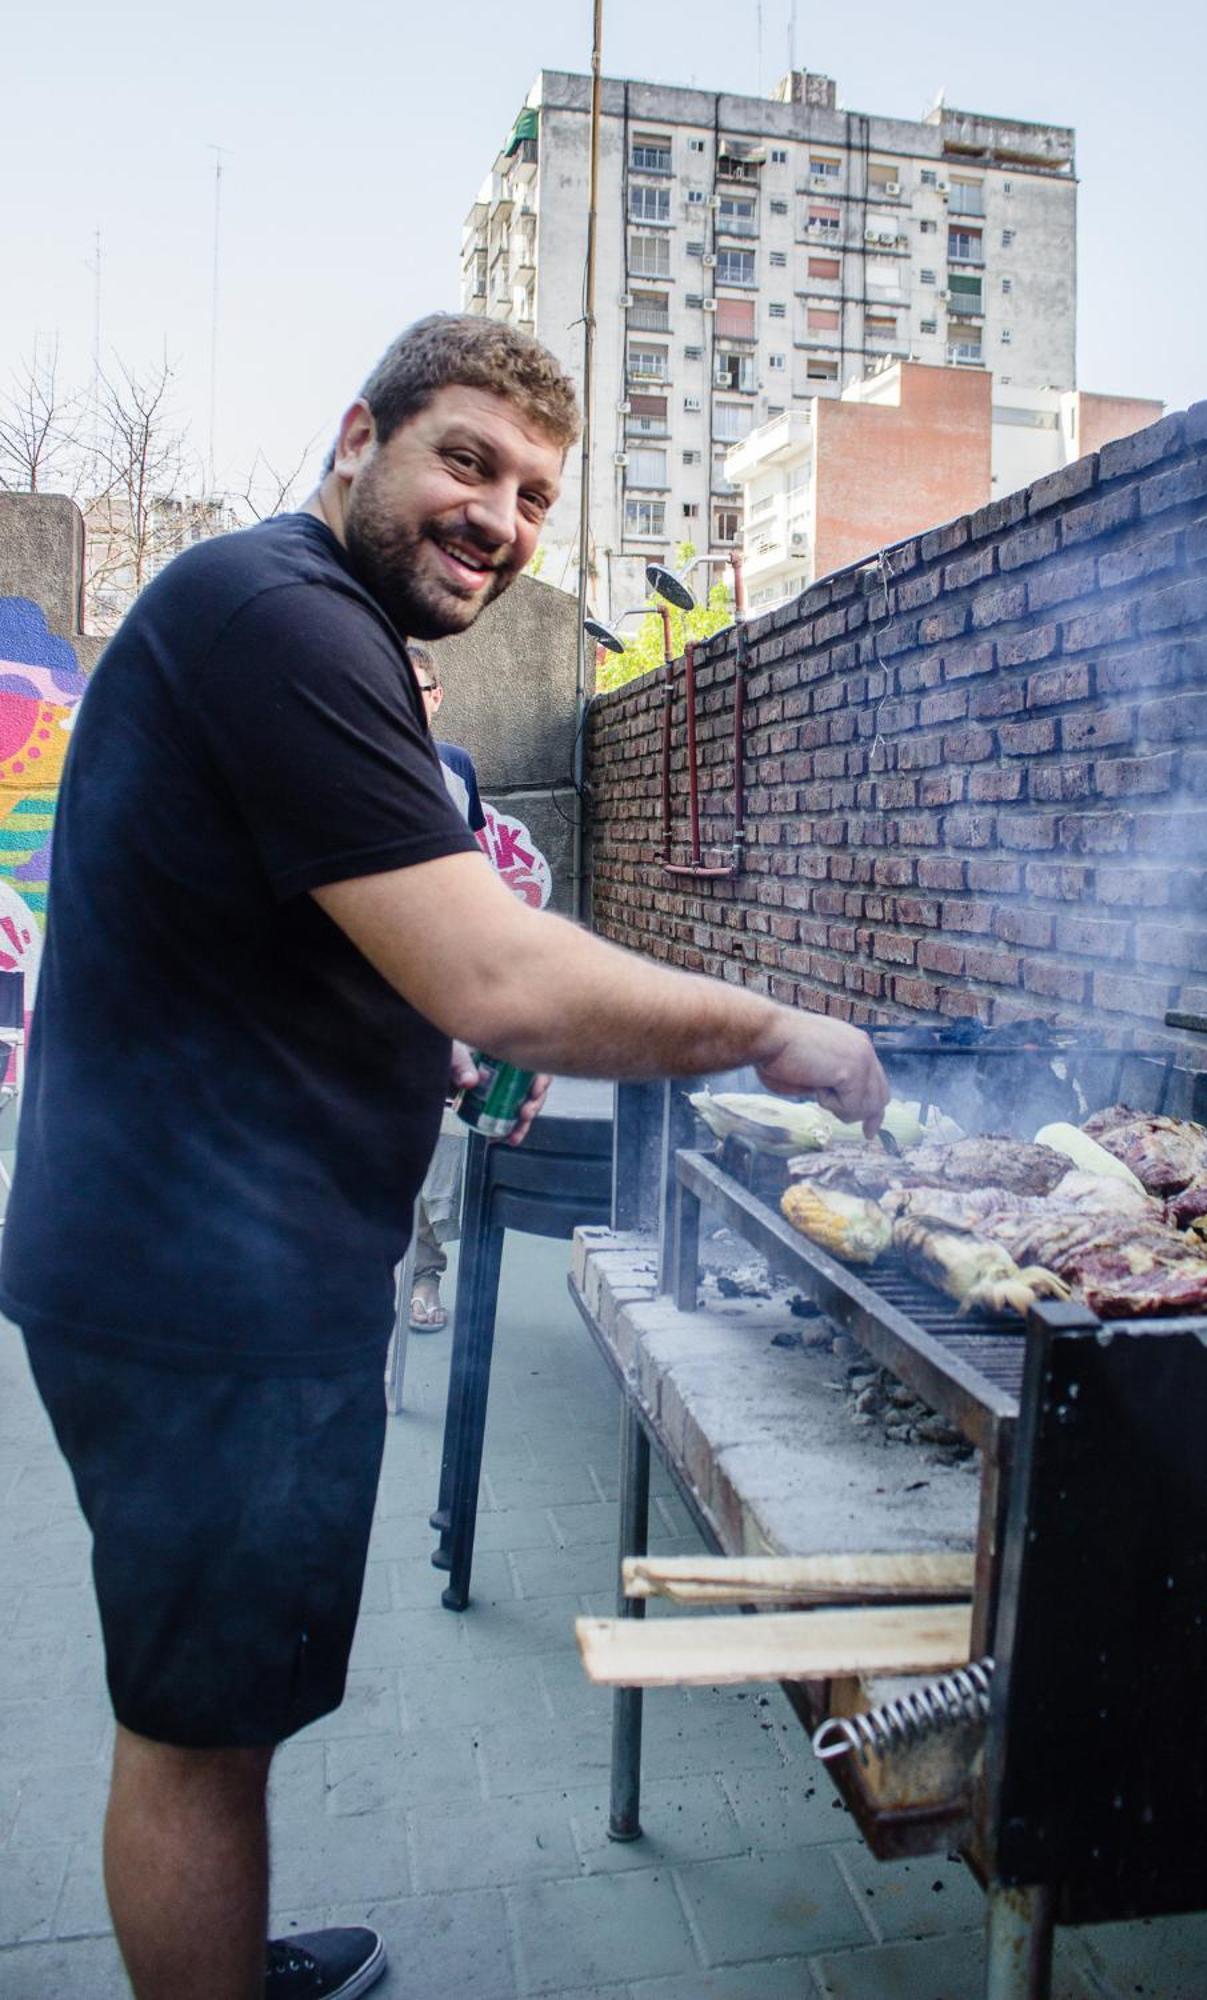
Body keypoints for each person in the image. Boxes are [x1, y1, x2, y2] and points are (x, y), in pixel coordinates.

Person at [0, 312, 888, 2000]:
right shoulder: (278, 617)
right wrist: (765, 1024)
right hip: (187, 1294)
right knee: (190, 1733)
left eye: (535, 494)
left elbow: (376, 939)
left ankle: (229, 1964)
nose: (499, 516)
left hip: (232, 1266)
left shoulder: (304, 621)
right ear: (358, 440)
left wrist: (428, 1037)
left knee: (230, 1710)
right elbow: (493, 967)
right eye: (464, 461)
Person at [405, 640, 478, 1333]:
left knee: (433, 1132)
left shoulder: (457, 770)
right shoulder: (350, 757)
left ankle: (423, 1278)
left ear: (439, 696)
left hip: (437, 973)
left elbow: (472, 874)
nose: (412, 699)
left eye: (423, 689)